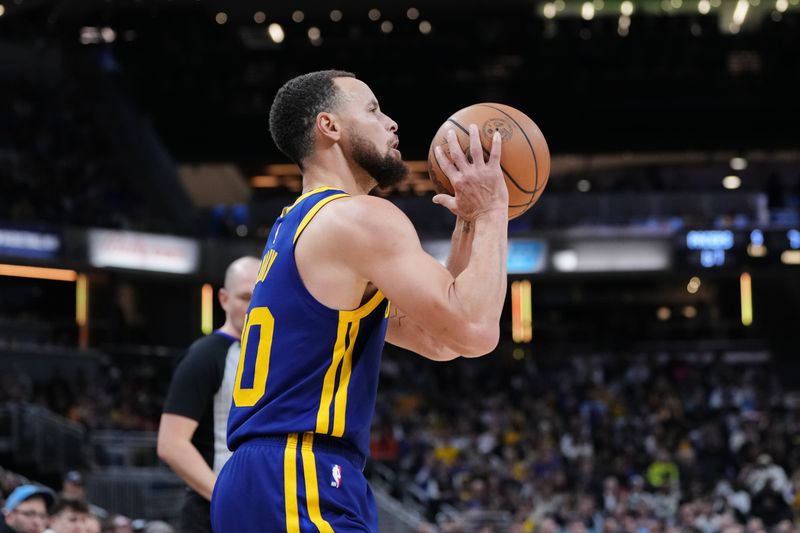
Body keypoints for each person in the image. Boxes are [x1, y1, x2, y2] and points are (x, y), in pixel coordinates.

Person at [211, 70, 508, 532]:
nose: (391, 123)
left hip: (268, 477)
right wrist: (492, 212)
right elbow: (475, 332)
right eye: (372, 109)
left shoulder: (296, 225)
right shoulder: (358, 219)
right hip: (300, 476)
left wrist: (468, 225)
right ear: (329, 126)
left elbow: (440, 339)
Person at [157, 256, 261, 533]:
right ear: (224, 299)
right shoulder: (205, 356)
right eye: (245, 297)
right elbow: (171, 444)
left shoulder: (275, 356)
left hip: (258, 510)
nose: (255, 306)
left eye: (261, 295)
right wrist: (228, 499)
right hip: (211, 513)